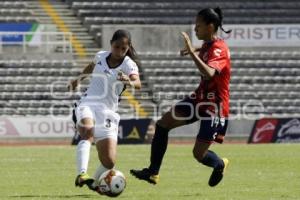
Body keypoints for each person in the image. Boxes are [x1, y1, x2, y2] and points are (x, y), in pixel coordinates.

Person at [130, 7, 231, 187]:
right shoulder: (209, 44)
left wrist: (192, 52)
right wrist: (195, 49)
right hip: (199, 98)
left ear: (210, 26)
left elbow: (209, 73)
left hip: (214, 106)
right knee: (162, 124)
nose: (195, 29)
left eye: (198, 25)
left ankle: (220, 164)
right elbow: (208, 48)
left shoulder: (219, 50)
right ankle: (153, 172)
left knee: (198, 154)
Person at [68, 29, 141, 194]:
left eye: (124, 48)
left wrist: (129, 80)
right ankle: (82, 174)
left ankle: (95, 185)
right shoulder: (101, 55)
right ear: (111, 44)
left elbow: (138, 83)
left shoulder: (129, 64)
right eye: (117, 47)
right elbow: (91, 66)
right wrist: (77, 79)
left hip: (108, 112)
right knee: (87, 132)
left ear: (128, 48)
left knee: (109, 162)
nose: (120, 51)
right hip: (88, 102)